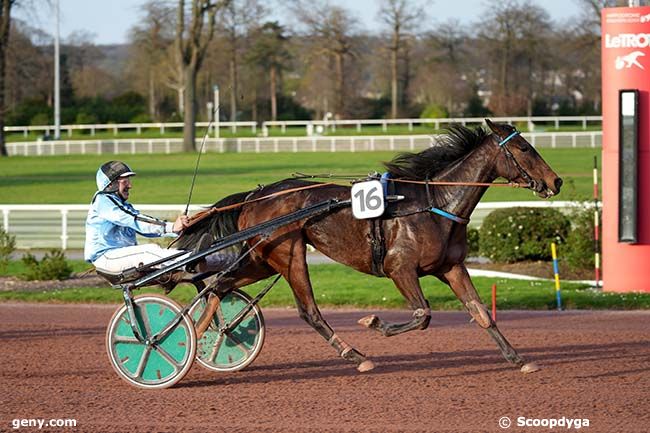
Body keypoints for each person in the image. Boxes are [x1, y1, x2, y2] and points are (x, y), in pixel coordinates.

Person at [84, 160, 210, 274]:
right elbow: (136, 220)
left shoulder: (123, 205)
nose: (130, 186)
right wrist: (171, 227)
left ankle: (221, 261)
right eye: (125, 181)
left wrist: (182, 230)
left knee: (162, 253)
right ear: (112, 184)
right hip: (106, 257)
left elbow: (143, 229)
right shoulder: (103, 201)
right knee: (148, 251)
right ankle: (192, 260)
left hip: (119, 257)